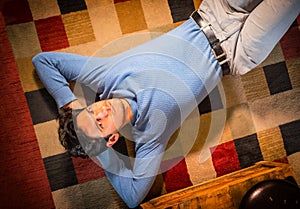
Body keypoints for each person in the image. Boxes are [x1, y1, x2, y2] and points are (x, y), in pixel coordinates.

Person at [32, 0, 300, 208]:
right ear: (112, 138)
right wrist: (100, 152)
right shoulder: (150, 137)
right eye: (99, 124)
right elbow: (132, 197)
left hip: (214, 12)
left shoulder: (104, 76)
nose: (101, 110)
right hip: (238, 52)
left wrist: (68, 104)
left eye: (91, 110)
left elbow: (43, 62)